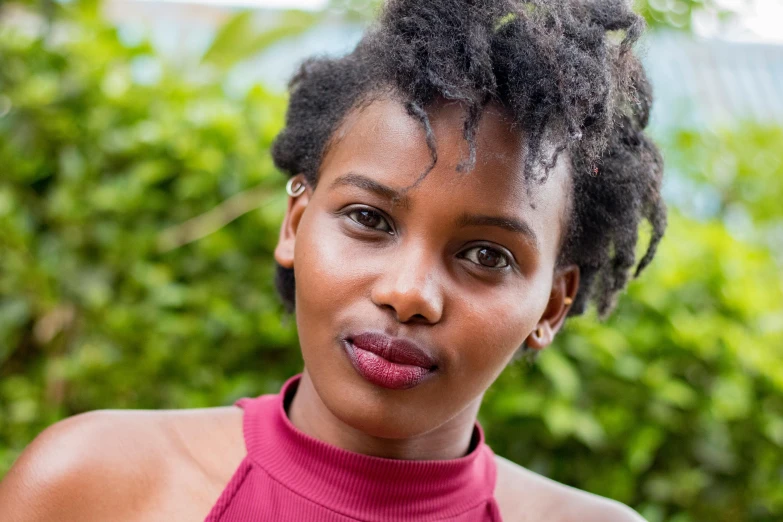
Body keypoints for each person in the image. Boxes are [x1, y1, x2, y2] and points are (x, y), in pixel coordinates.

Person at [0, 0, 666, 520]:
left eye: (486, 255)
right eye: (369, 219)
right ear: (294, 224)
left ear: (551, 303)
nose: (408, 294)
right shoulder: (90, 486)